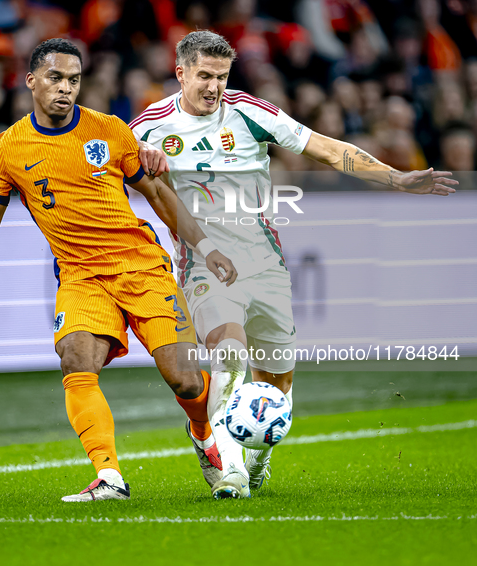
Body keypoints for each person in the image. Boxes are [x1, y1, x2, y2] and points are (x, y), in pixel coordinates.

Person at [0, 38, 239, 502]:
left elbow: (158, 195)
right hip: (80, 276)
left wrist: (206, 247)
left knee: (184, 377)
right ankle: (108, 477)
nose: (66, 88)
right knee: (77, 359)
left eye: (74, 80)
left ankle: (202, 434)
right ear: (31, 80)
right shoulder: (7, 148)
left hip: (140, 266)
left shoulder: (110, 130)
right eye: (56, 78)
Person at [132, 30, 458, 499]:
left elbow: (326, 148)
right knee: (227, 352)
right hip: (204, 261)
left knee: (278, 386)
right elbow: (105, 173)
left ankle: (260, 456)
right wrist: (140, 164)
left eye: (221, 77)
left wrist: (395, 177)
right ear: (180, 72)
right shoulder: (147, 127)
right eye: (204, 76)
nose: (213, 87)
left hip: (265, 264)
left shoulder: (249, 111)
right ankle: (231, 470)